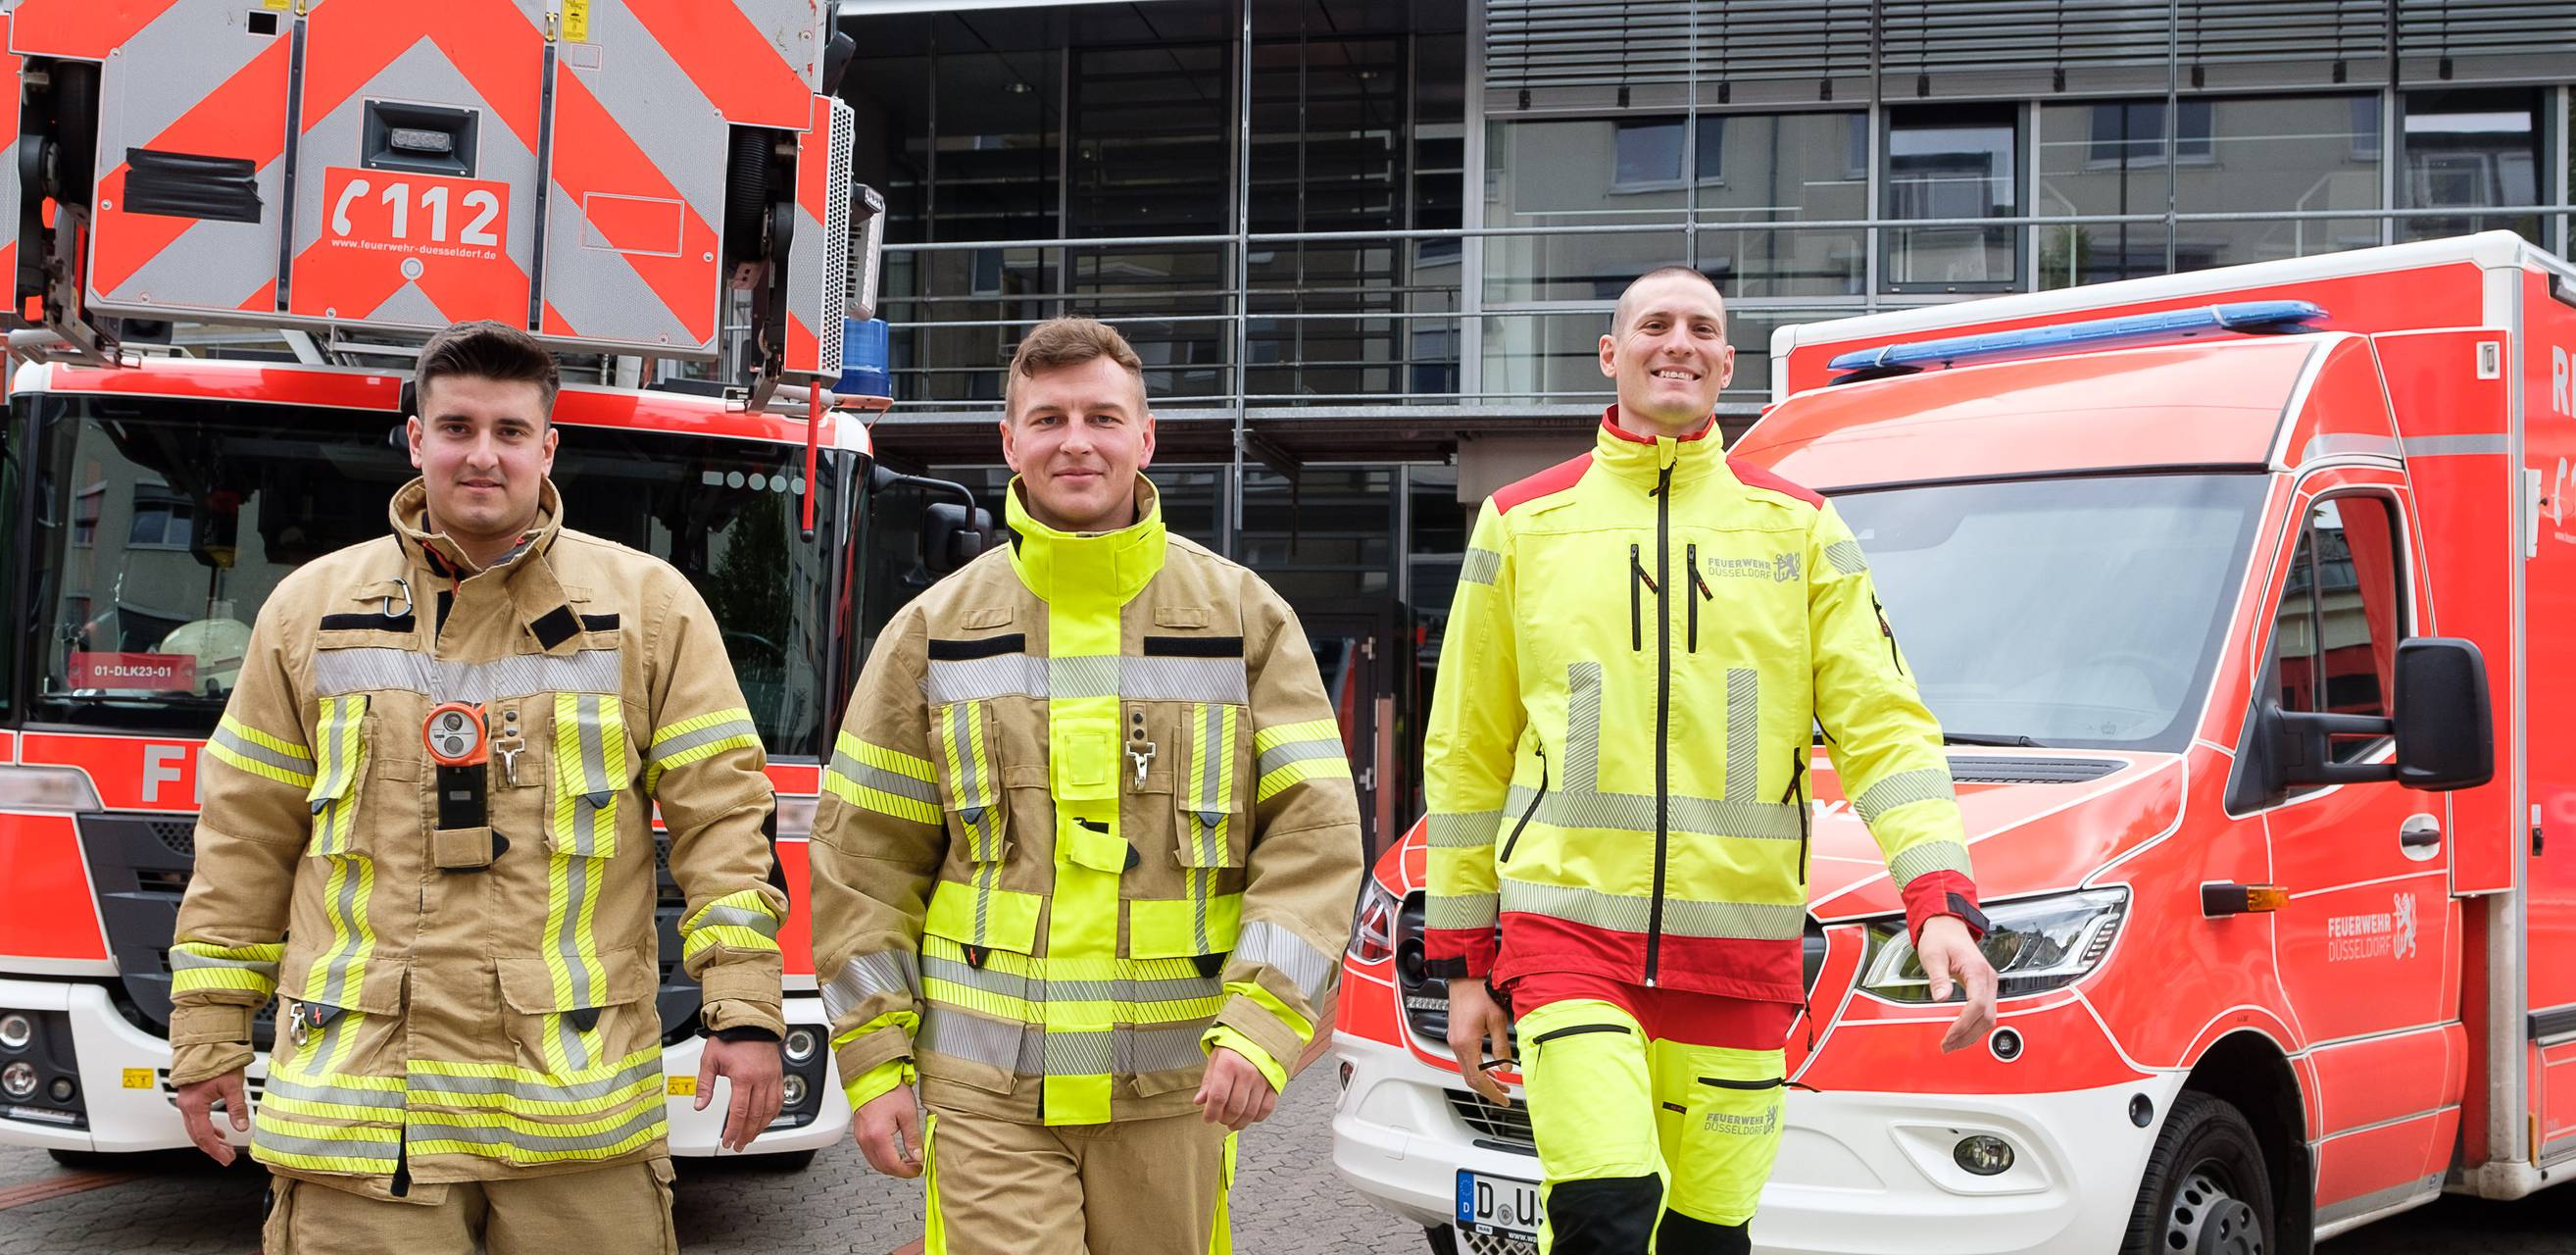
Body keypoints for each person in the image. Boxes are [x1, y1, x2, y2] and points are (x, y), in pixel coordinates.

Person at [164, 320, 789, 1253]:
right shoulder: (310, 613)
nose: (482, 455)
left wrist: (744, 1011)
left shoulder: (647, 609)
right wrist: (207, 1036)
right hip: (364, 1124)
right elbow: (245, 838)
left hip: (571, 1118)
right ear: (416, 439)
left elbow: (725, 823)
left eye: (508, 432)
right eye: (456, 428)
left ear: (549, 447)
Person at [1424, 267, 2002, 1255]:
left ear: (1728, 364)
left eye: (1702, 327)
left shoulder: (1799, 527)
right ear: (1612, 354)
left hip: (1741, 956)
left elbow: (1885, 725)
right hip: (1569, 944)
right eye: (1655, 323)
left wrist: (1937, 896)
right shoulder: (1522, 523)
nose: (1678, 340)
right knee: (1605, 1214)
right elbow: (1467, 754)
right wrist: (1468, 961)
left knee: (1705, 1238)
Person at [811, 317, 1363, 1253]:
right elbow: (864, 863)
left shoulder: (1242, 617)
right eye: (1050, 417)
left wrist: (1265, 1022)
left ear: (1144, 438)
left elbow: (1313, 837)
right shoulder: (930, 631)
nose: (1076, 440)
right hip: (985, 1091)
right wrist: (874, 1066)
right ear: (1010, 441)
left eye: (1103, 417)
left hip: (1176, 1089)